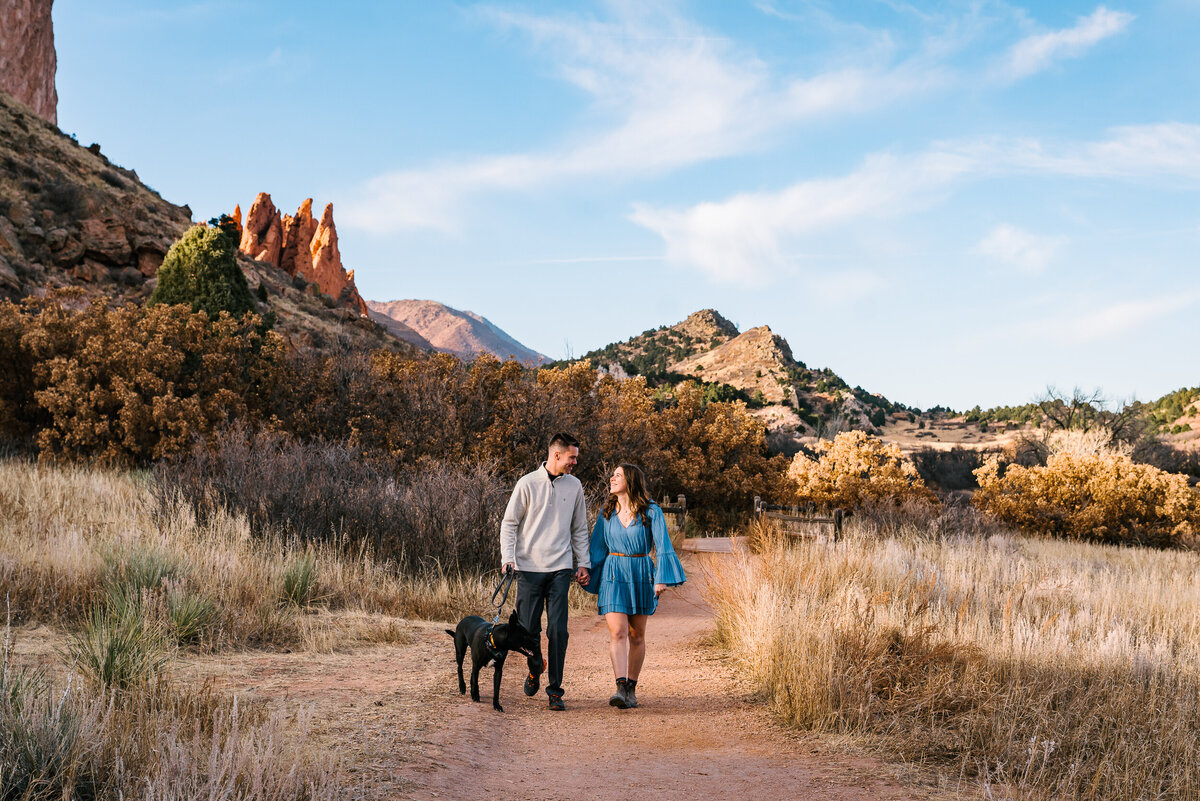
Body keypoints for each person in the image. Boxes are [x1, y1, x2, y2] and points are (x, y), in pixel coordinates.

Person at [499, 433, 591, 711]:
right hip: (528, 569)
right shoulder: (527, 483)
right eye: (572, 457)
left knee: (558, 631)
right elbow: (509, 523)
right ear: (557, 455)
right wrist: (508, 558)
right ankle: (534, 668)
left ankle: (555, 691)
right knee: (528, 632)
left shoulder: (575, 486)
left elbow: (579, 528)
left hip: (560, 569)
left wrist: (583, 562)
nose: (575, 462)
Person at [583, 463, 686, 709]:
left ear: (630, 480)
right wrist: (585, 570)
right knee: (617, 632)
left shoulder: (651, 512)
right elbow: (597, 547)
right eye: (612, 475)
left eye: (617, 475)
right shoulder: (606, 511)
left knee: (636, 635)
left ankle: (631, 688)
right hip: (613, 574)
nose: (611, 478)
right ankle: (620, 687)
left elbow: (663, 546)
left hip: (641, 572)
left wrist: (661, 578)